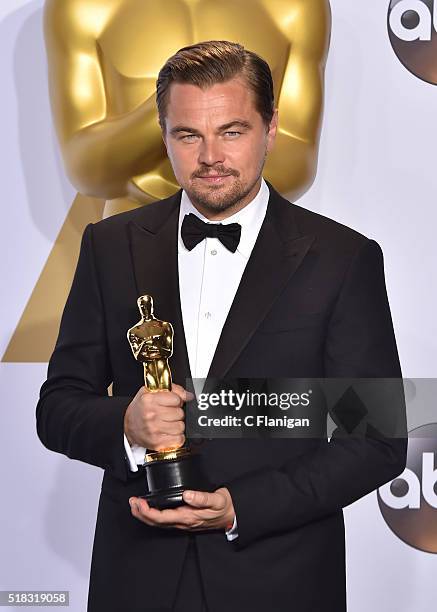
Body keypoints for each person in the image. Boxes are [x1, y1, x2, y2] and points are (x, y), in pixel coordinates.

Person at [36, 41, 407, 612]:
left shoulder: (343, 258)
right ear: (164, 136)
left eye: (232, 131)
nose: (210, 156)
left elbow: (377, 441)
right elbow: (58, 407)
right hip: (137, 577)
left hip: (281, 580)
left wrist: (244, 506)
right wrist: (126, 424)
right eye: (188, 135)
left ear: (271, 128)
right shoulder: (110, 246)